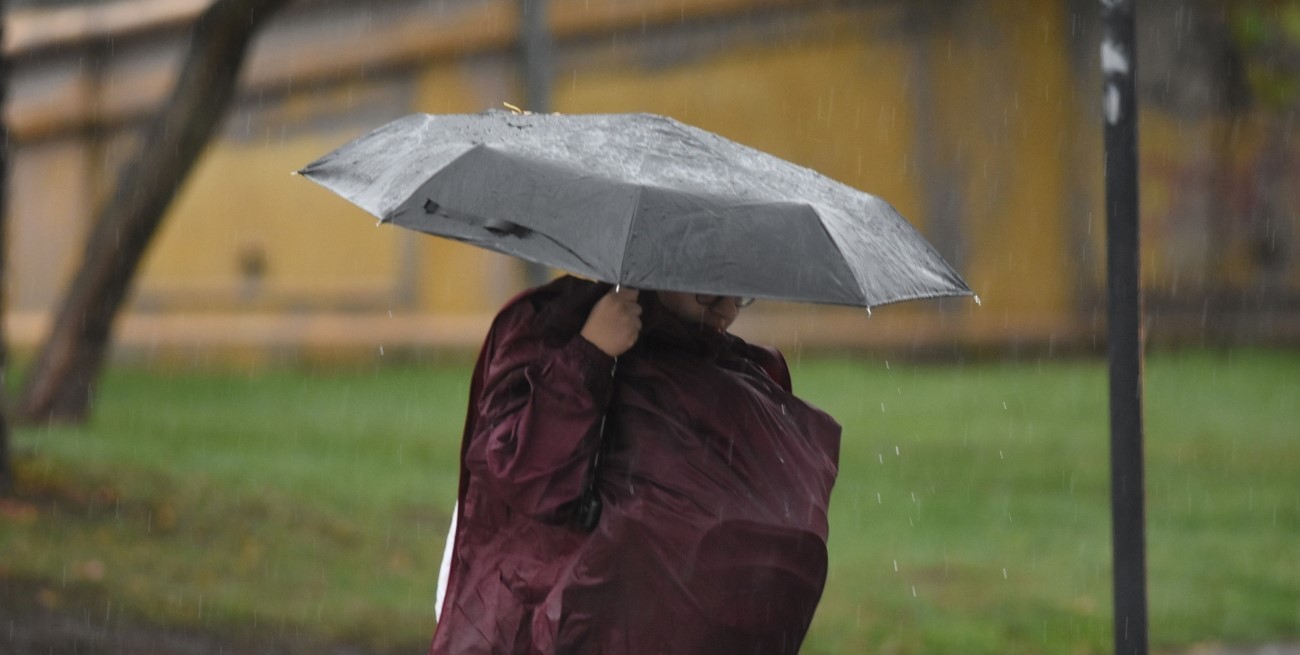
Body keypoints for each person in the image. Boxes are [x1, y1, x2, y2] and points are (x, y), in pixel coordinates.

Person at [430, 275, 841, 655]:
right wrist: (590, 352)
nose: (727, 311)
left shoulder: (720, 365)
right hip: (553, 618)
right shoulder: (554, 331)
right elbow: (527, 476)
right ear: (656, 269)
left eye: (739, 294)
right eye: (708, 293)